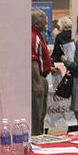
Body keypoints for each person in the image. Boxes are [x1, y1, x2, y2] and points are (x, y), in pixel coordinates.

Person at [30, 9, 53, 137]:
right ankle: (36, 138)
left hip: (40, 76)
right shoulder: (34, 37)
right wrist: (38, 81)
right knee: (37, 113)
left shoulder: (38, 36)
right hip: (37, 78)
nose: (46, 25)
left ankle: (38, 136)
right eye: (45, 22)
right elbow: (32, 60)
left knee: (41, 113)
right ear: (37, 24)